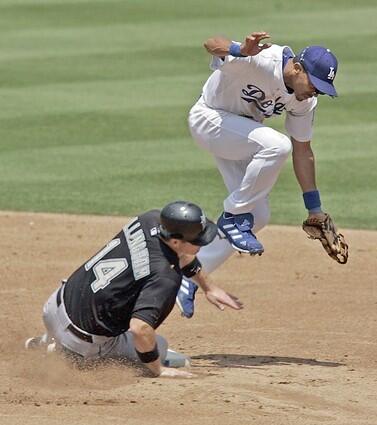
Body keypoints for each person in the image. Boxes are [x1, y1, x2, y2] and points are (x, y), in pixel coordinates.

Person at [176, 31, 341, 318]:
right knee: (276, 145)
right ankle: (233, 216)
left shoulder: (304, 101)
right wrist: (240, 49)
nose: (315, 92)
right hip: (209, 119)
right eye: (314, 84)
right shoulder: (263, 60)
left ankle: (185, 279)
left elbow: (304, 151)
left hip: (239, 136)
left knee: (259, 215)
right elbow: (211, 43)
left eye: (322, 88)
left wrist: (315, 209)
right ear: (297, 68)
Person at [25, 201, 243, 378]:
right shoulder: (165, 276)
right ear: (176, 241)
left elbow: (184, 256)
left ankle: (48, 338)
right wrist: (157, 369)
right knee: (160, 347)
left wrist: (209, 287)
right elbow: (140, 329)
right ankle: (60, 352)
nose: (202, 243)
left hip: (55, 305)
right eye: (198, 239)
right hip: (81, 343)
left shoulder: (150, 219)